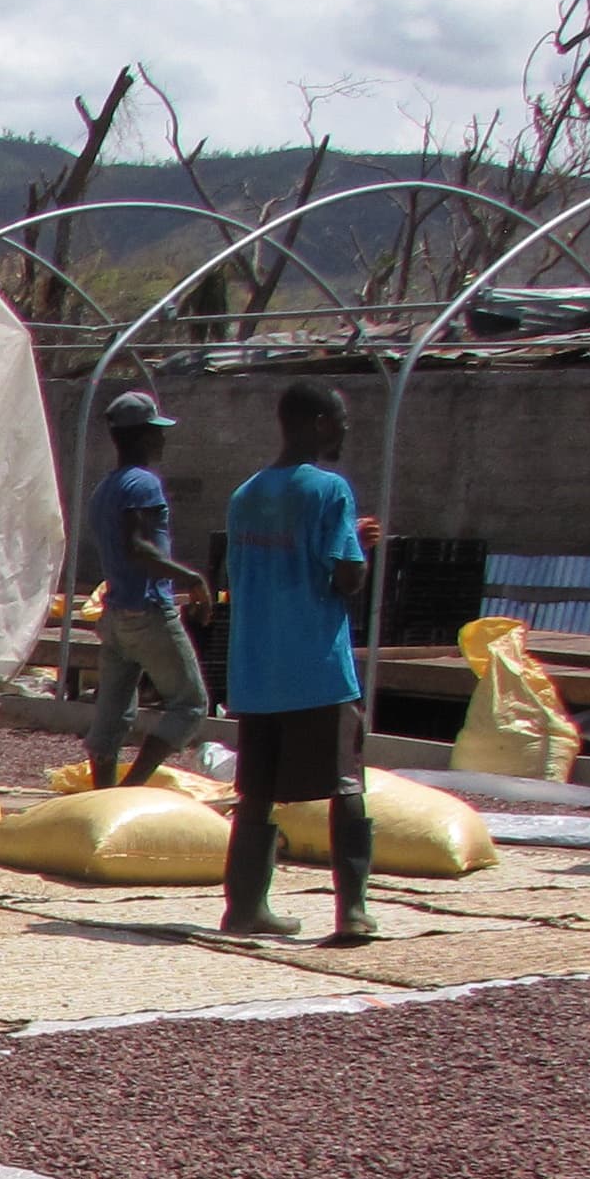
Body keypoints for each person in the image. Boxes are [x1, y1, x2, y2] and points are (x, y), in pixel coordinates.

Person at [219, 382, 378, 945]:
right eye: (339, 419)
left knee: (256, 792)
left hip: (257, 671)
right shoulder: (330, 491)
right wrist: (361, 546)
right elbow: (345, 576)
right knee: (345, 783)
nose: (345, 429)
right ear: (315, 422)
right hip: (315, 666)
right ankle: (353, 911)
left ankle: (244, 909)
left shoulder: (246, 495)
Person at [81, 389, 214, 790]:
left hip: (116, 613)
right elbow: (138, 547)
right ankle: (132, 787)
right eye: (156, 431)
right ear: (140, 436)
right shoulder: (144, 485)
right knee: (190, 704)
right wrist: (193, 580)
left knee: (113, 713)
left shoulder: (104, 489)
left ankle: (102, 797)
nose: (162, 439)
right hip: (148, 611)